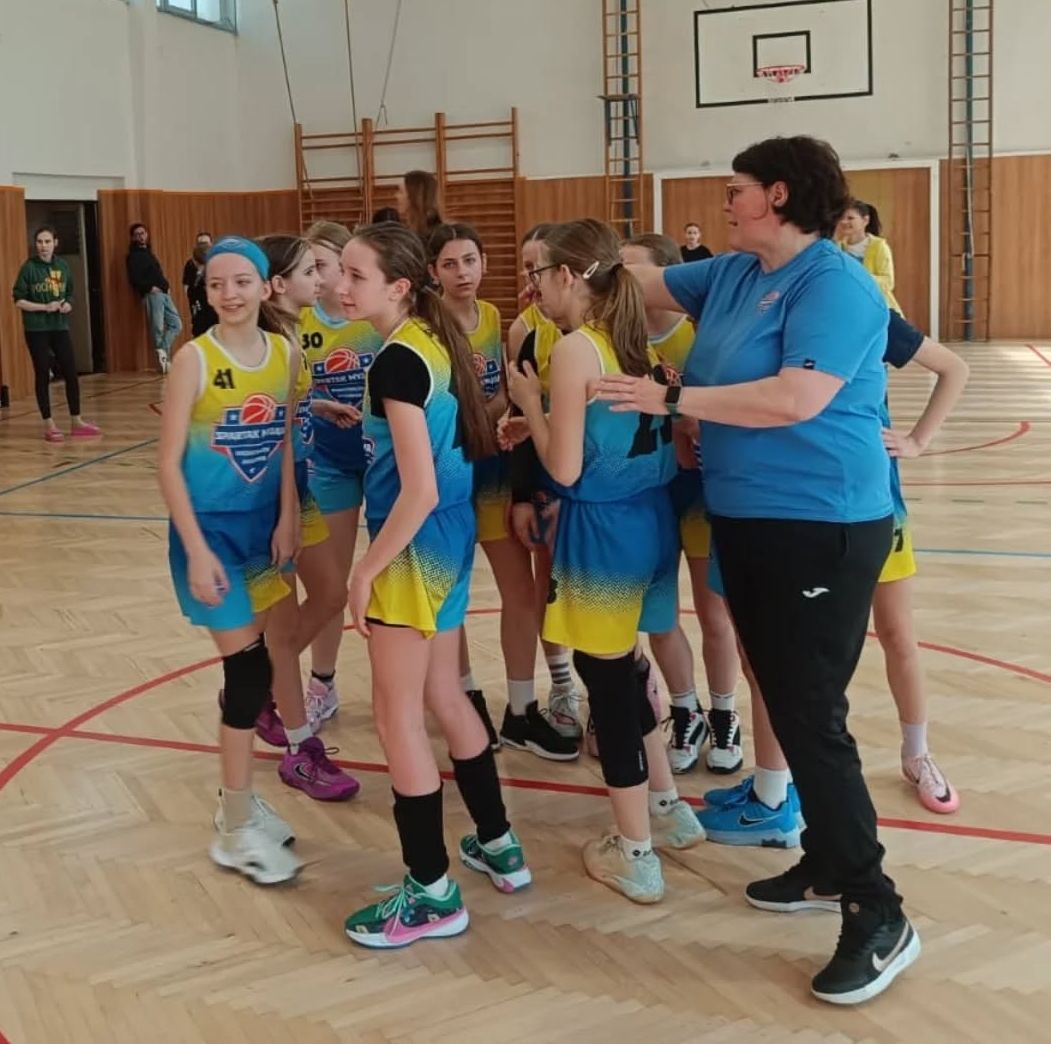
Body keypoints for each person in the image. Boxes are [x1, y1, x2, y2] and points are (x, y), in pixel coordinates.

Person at [596, 136, 919, 1005]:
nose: (724, 202)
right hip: (747, 518)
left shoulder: (836, 285)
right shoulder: (734, 272)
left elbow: (793, 398)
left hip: (822, 522)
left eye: (735, 189)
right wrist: (572, 266)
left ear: (777, 195)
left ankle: (877, 908)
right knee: (786, 693)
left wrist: (671, 398)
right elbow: (640, 283)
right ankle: (825, 862)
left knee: (811, 716)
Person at [701, 312, 968, 834]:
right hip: (803, 512)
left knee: (896, 634)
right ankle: (779, 785)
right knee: (786, 663)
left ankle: (918, 754)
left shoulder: (861, 312)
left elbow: (953, 367)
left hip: (871, 509)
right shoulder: (767, 316)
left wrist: (916, 441)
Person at [341, 222, 531, 948]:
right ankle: (498, 841)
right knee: (445, 694)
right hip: (447, 537)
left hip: (413, 544)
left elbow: (415, 488)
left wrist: (366, 569)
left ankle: (429, 891)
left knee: (397, 719)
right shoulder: (428, 338)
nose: (339, 285)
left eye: (354, 275)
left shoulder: (397, 359)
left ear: (396, 286)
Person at [507, 218, 703, 906]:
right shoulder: (633, 339)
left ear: (567, 275)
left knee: (609, 688)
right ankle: (666, 806)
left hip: (603, 532)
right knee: (628, 672)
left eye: (538, 274)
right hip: (651, 521)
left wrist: (529, 407)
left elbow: (563, 468)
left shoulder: (574, 349)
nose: (532, 287)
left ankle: (635, 851)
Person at [156, 235, 301, 885]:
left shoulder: (285, 354)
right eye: (217, 284)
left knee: (259, 664)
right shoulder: (194, 358)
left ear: (266, 287)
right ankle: (235, 829)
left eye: (242, 281)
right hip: (208, 533)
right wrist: (194, 550)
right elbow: (167, 464)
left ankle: (236, 801)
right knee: (246, 673)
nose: (229, 294)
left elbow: (286, 442)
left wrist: (290, 515)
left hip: (262, 531)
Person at [428, 222, 578, 761]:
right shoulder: (425, 327)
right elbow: (458, 410)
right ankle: (465, 698)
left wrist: (500, 412)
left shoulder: (498, 321)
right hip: (446, 478)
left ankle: (521, 709)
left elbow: (510, 400)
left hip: (493, 476)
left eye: (470, 260)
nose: (462, 273)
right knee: (451, 599)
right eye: (449, 264)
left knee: (519, 594)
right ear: (433, 273)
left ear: (485, 264)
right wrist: (493, 410)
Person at [620, 233, 741, 775]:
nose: (621, 278)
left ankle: (725, 713)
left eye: (631, 268)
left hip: (700, 490)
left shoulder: (702, 335)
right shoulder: (618, 339)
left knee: (714, 612)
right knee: (659, 615)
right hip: (648, 490)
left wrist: (691, 421)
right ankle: (685, 710)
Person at [252, 234, 360, 801]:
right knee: (279, 625)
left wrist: (316, 405)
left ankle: (254, 685)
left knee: (332, 594)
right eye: (308, 271)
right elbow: (263, 434)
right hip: (272, 502)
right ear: (278, 284)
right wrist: (281, 515)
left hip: (300, 490)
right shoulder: (269, 346)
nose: (319, 280)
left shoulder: (290, 337)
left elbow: (286, 412)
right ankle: (298, 749)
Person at [300, 221, 384, 729]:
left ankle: (407, 681)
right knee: (331, 583)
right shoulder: (299, 324)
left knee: (393, 576)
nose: (315, 277)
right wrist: (318, 404)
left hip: (384, 460)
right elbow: (289, 393)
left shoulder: (376, 319)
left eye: (322, 266)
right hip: (328, 462)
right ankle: (322, 683)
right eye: (308, 268)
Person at [503, 224, 585, 740]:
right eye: (527, 267)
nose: (533, 278)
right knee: (549, 581)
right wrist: (520, 495)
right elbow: (519, 414)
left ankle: (613, 688)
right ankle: (561, 684)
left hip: (595, 477)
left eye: (541, 267)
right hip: (547, 472)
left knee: (597, 584)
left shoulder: (593, 326)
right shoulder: (524, 331)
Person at [13, 225, 101, 442]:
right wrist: (44, 307)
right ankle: (49, 424)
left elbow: (69, 292)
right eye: (39, 242)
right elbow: (19, 300)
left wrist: (68, 304)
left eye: (47, 242)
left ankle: (76, 421)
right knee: (42, 372)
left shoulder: (62, 266)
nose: (43, 246)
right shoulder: (29, 268)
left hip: (59, 326)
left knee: (70, 372)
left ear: (55, 243)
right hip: (37, 329)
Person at [126, 223, 183, 373]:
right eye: (137, 234)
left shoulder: (149, 253)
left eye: (142, 233)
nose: (141, 236)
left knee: (176, 324)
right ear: (133, 238)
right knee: (157, 327)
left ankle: (162, 350)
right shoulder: (133, 256)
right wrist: (149, 288)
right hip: (153, 294)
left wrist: (166, 286)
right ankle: (164, 360)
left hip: (164, 293)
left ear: (147, 234)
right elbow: (134, 278)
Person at [838, 200, 900, 313]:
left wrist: (860, 276)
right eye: (842, 218)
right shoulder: (837, 248)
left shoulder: (878, 247)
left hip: (878, 307)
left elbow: (888, 282)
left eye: (850, 218)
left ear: (865, 220)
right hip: (850, 307)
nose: (844, 222)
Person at [182, 231, 219, 337]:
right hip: (200, 316)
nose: (203, 247)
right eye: (200, 244)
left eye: (205, 244)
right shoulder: (190, 266)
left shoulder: (218, 266)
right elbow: (187, 286)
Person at [395, 170, 442, 241]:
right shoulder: (407, 231)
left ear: (414, 196)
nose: (396, 196)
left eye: (401, 192)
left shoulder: (436, 235)